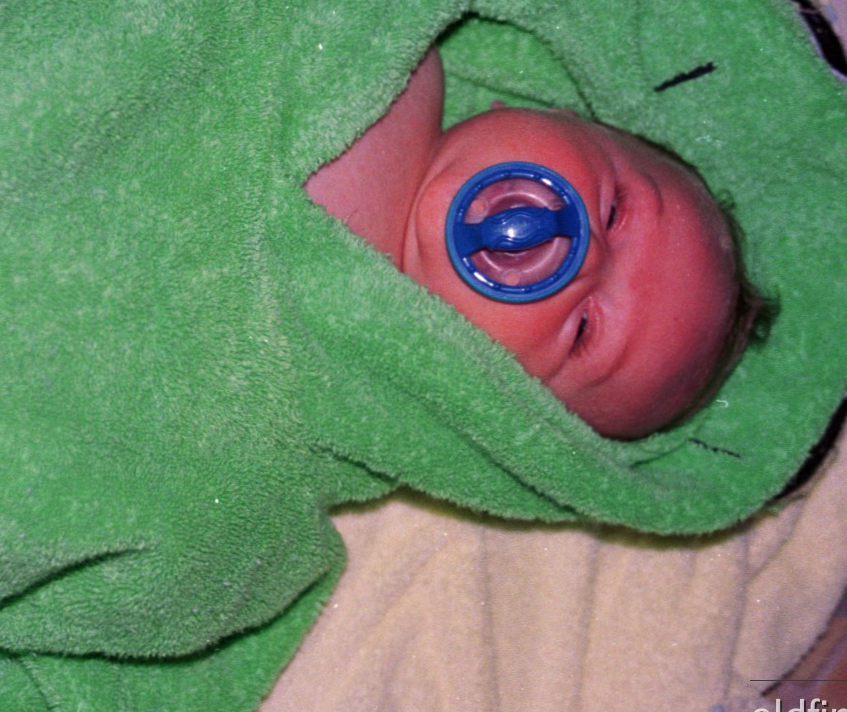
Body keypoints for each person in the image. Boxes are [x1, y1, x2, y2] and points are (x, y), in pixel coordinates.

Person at [307, 47, 749, 439]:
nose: (586, 255)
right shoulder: (403, 56)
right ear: (562, 115)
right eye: (614, 211)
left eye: (582, 331)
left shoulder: (336, 380)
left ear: (501, 400)